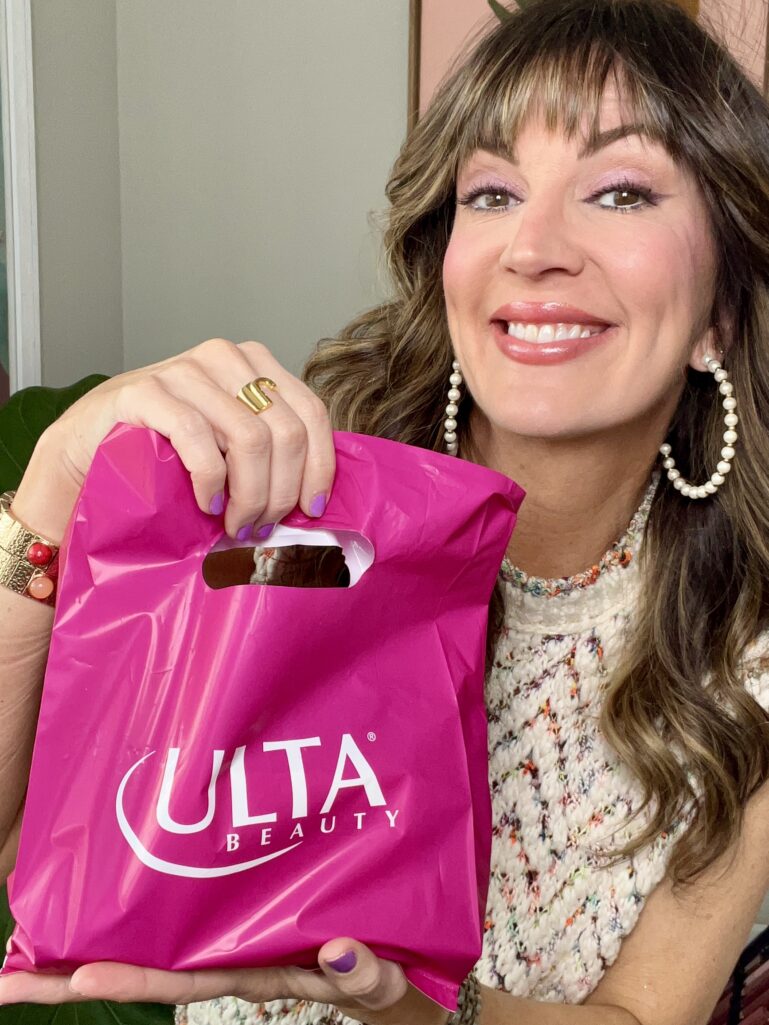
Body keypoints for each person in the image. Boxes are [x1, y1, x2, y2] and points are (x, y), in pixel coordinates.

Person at [1, 0, 769, 1021]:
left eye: (620, 190)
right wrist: (54, 480)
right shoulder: (279, 499)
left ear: (718, 310)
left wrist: (403, 999)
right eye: (490, 193)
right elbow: (27, 839)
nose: (531, 247)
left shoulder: (744, 650)